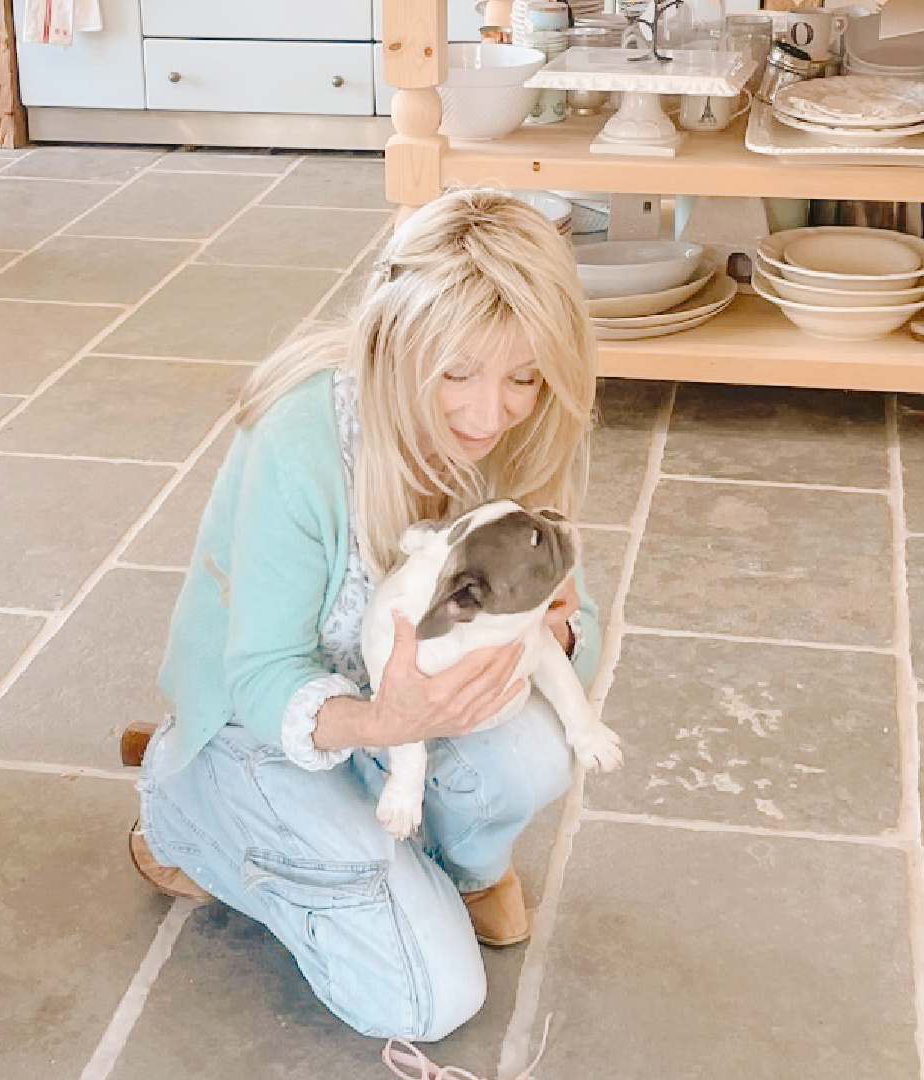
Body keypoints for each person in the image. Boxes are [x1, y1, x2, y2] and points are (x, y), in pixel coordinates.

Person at [129, 187, 602, 1041]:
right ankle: (183, 812)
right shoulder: (304, 430)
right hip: (261, 725)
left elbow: (576, 624)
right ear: (395, 338)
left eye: (522, 378)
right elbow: (265, 672)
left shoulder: (528, 434)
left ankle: (442, 866)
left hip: (399, 721)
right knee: (429, 1003)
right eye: (454, 371)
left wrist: (559, 625)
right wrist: (382, 721)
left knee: (535, 752)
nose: (487, 414)